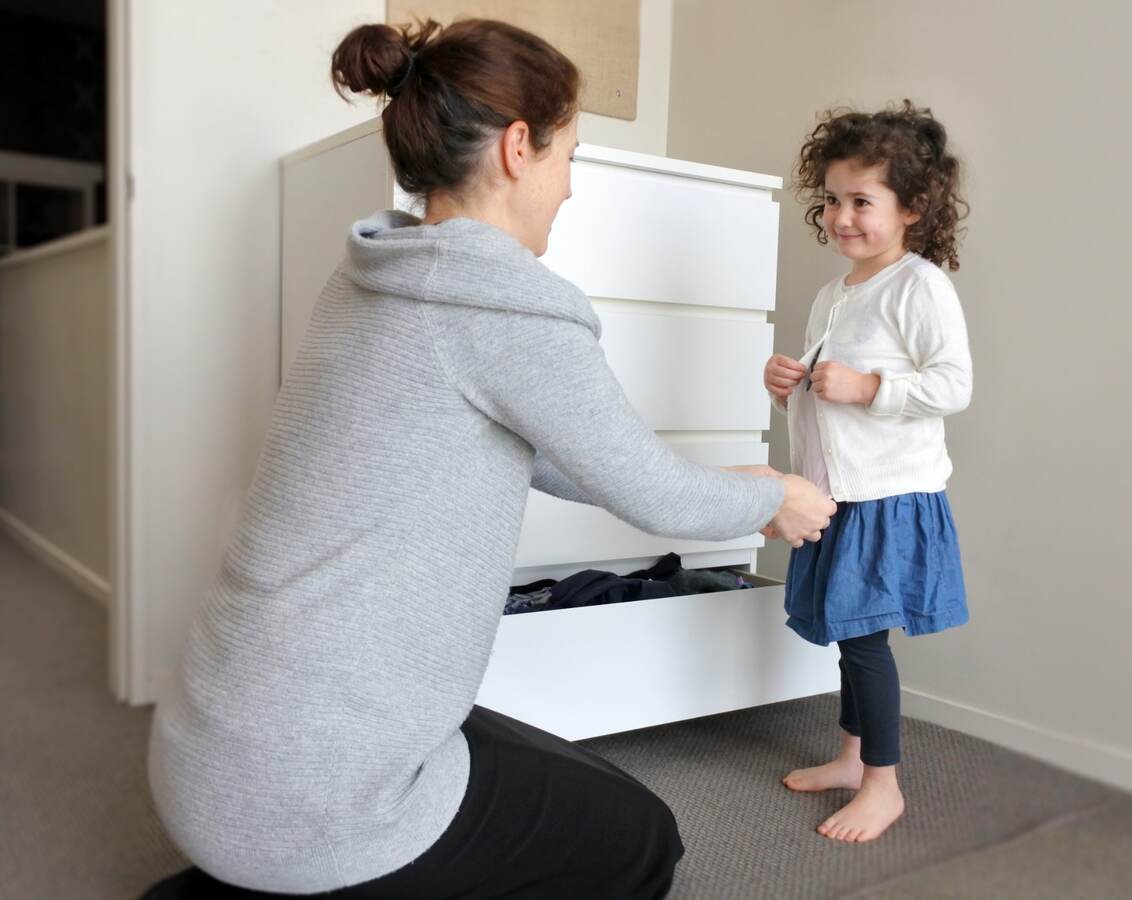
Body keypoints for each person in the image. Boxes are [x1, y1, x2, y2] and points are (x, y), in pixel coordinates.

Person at [142, 18, 836, 899]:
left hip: (209, 744)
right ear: (518, 148)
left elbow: (531, 456)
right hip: (304, 789)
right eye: (570, 156)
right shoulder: (505, 304)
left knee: (572, 783)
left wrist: (733, 489)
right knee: (641, 843)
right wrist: (774, 494)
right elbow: (654, 494)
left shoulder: (375, 272)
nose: (572, 188)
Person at [763, 100, 972, 843]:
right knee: (849, 633)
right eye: (833, 199)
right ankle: (853, 758)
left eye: (862, 201)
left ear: (912, 207)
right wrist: (788, 380)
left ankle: (884, 784)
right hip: (838, 492)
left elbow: (952, 385)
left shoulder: (920, 286)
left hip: (887, 498)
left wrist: (870, 389)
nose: (842, 216)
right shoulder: (836, 293)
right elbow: (831, 387)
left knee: (865, 642)